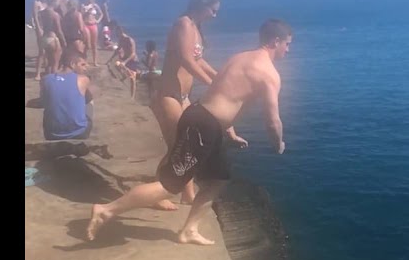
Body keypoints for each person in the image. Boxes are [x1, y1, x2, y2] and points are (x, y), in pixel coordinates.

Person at [86, 19, 293, 245]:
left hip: (202, 118)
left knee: (218, 179)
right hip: (203, 127)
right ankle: (106, 210)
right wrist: (279, 144)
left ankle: (189, 230)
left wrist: (230, 132)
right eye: (287, 44)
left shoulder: (239, 58)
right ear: (276, 41)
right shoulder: (269, 74)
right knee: (170, 186)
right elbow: (272, 121)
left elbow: (224, 95)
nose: (288, 49)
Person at [150, 0, 227, 208]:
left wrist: (219, 78)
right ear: (201, 5)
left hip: (183, 96)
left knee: (187, 146)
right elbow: (186, 59)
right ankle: (160, 194)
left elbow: (198, 60)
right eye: (213, 10)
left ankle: (187, 194)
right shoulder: (183, 24)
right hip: (169, 95)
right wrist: (211, 84)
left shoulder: (195, 28)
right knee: (176, 147)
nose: (215, 15)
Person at [41, 52, 94, 140]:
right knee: (89, 100)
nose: (85, 68)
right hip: (80, 132)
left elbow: (44, 101)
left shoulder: (45, 79)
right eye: (82, 65)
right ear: (72, 64)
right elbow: (89, 97)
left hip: (51, 133)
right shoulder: (83, 79)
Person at [35, 0, 66, 80]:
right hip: (53, 38)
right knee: (55, 63)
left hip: (44, 38)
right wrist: (64, 41)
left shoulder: (42, 13)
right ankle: (53, 81)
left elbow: (39, 24)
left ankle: (47, 80)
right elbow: (59, 30)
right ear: (54, 2)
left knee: (48, 63)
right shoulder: (55, 14)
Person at [108, 25, 142, 100]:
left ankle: (132, 97)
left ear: (121, 31)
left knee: (132, 79)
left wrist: (125, 62)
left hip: (132, 60)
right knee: (116, 65)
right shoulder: (121, 39)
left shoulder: (129, 40)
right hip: (125, 58)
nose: (116, 34)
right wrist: (110, 59)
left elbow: (133, 53)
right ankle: (124, 76)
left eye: (117, 32)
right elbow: (118, 49)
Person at [81, 0, 103, 66]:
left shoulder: (95, 5)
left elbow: (101, 14)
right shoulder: (83, 5)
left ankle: (95, 61)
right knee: (87, 44)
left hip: (93, 25)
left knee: (94, 44)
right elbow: (81, 15)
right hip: (86, 25)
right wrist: (87, 11)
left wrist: (98, 20)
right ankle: (84, 60)